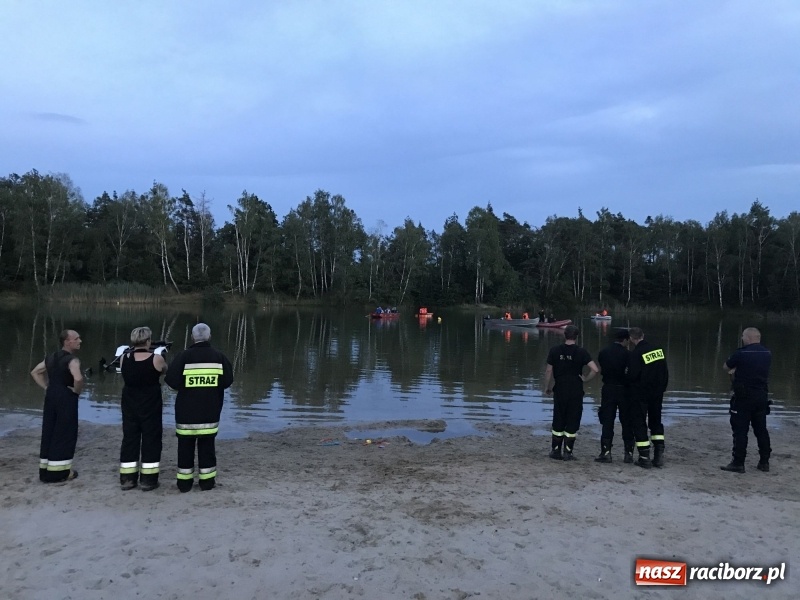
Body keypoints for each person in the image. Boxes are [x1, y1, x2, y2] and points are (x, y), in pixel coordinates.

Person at [165, 323, 233, 492]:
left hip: (186, 412)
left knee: (185, 448)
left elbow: (171, 382)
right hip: (210, 411)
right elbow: (227, 381)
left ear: (192, 337)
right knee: (207, 448)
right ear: (209, 337)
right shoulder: (219, 357)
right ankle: (207, 483)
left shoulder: (183, 357)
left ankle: (184, 484)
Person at [30, 330, 83, 483]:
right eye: (76, 338)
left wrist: (47, 387)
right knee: (65, 432)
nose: (80, 341)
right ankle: (60, 473)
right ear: (67, 342)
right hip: (66, 397)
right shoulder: (73, 360)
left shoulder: (50, 358)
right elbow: (78, 379)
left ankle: (44, 471)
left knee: (49, 430)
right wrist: (76, 392)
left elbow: (35, 372)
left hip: (51, 396)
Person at [118, 327, 167, 491]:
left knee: (130, 438)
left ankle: (127, 479)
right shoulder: (157, 359)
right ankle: (148, 480)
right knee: (151, 439)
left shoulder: (124, 358)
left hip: (129, 401)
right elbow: (164, 370)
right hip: (150, 402)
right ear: (148, 341)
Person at [543, 325, 599, 460]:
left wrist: (547, 387)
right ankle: (568, 452)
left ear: (564, 335)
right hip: (576, 389)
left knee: (559, 417)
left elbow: (549, 371)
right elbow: (595, 370)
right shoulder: (582, 352)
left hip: (560, 388)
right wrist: (585, 379)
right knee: (573, 418)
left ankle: (555, 451)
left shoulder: (555, 350)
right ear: (576, 336)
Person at [720, 327, 772, 474]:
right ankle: (764, 462)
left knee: (740, 431)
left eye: (743, 336)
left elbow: (726, 366)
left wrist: (735, 369)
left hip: (743, 397)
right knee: (761, 430)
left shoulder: (741, 353)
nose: (742, 338)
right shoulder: (767, 353)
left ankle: (738, 462)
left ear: (748, 338)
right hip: (761, 396)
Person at [627, 327, 669, 468]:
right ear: (643, 335)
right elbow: (665, 372)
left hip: (641, 394)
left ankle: (644, 458)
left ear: (632, 339)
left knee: (639, 423)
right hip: (657, 393)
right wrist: (662, 388)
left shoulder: (636, 353)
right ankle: (658, 456)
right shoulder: (658, 350)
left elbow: (632, 376)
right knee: (656, 422)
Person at [595, 329, 634, 463]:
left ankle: (606, 453)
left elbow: (601, 369)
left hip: (608, 389)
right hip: (625, 390)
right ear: (625, 340)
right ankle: (628, 454)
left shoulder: (603, 353)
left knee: (607, 420)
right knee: (627, 421)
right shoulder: (629, 355)